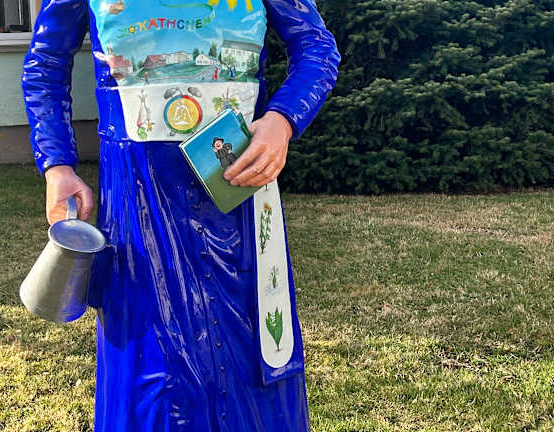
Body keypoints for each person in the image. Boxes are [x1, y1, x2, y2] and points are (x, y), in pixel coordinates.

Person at [21, 0, 340, 430]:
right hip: (138, 209)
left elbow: (317, 47)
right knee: (150, 372)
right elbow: (45, 63)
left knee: (252, 361)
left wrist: (282, 121)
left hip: (238, 201)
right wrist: (57, 166)